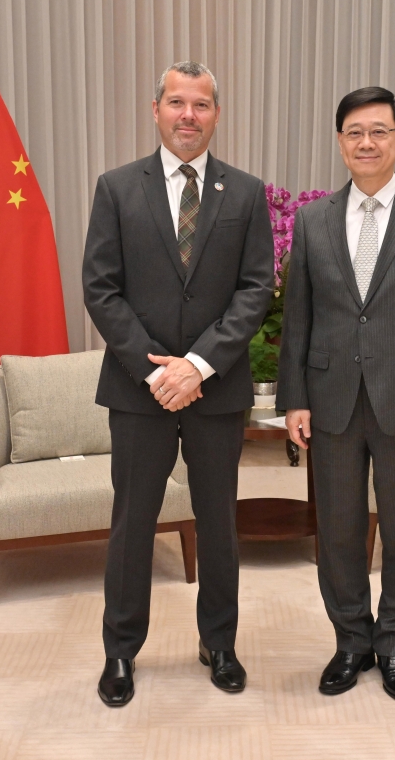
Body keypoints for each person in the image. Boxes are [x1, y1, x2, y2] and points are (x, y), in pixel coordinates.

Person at [83, 61, 274, 706]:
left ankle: (219, 643)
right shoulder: (116, 188)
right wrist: (156, 369)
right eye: (176, 102)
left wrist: (198, 365)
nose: (188, 115)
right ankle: (119, 651)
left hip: (216, 390)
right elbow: (101, 289)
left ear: (216, 113)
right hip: (138, 391)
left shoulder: (245, 193)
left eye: (201, 104)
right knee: (132, 523)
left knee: (219, 523)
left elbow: (255, 290)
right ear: (156, 109)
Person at [277, 87, 395, 702]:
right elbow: (298, 319)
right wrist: (294, 398)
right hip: (330, 398)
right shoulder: (313, 221)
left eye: (379, 131)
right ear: (340, 142)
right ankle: (351, 641)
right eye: (355, 132)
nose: (367, 142)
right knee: (337, 529)